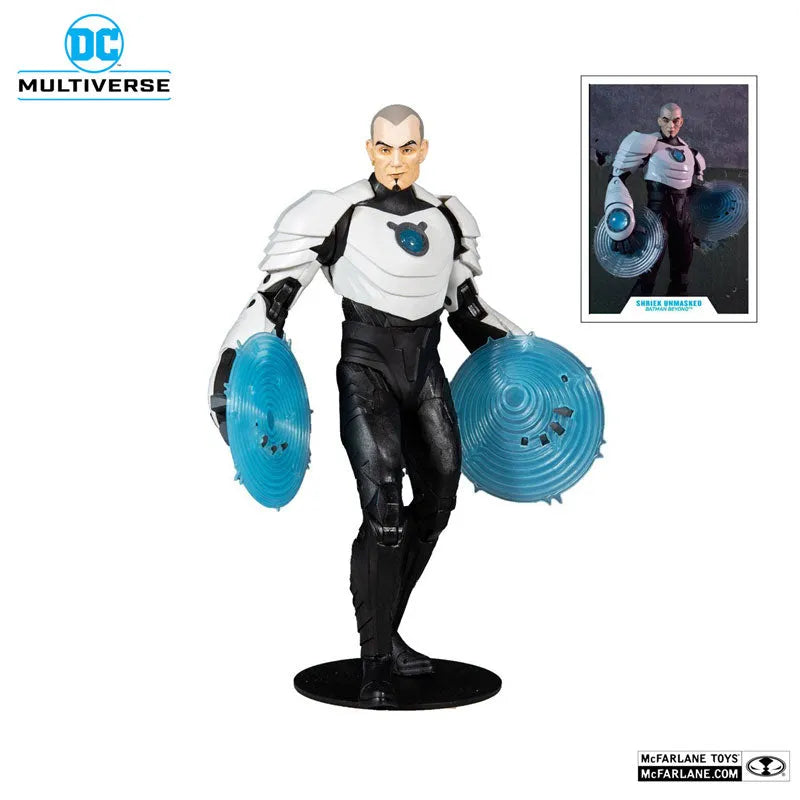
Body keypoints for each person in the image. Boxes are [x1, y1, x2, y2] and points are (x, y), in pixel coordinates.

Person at [209, 104, 523, 708]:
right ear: (369, 148)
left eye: (407, 148)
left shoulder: (447, 217)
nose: (395, 161)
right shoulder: (335, 213)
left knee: (438, 502)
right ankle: (374, 663)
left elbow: (468, 310)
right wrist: (232, 370)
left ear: (423, 149)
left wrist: (528, 358)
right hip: (366, 372)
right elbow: (273, 301)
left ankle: (388, 634)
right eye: (384, 148)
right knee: (385, 516)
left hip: (425, 369)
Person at [603, 102, 706, 296]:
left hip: (683, 220)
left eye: (675, 120)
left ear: (681, 122)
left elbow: (691, 190)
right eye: (666, 120)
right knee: (646, 276)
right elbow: (616, 178)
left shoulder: (691, 153)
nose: (671, 125)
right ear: (659, 120)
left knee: (681, 278)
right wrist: (621, 223)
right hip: (657, 217)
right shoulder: (646, 143)